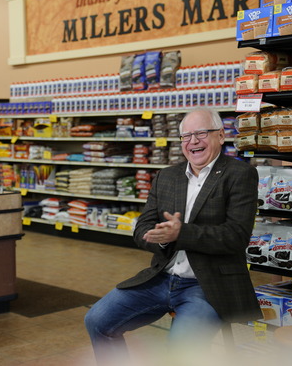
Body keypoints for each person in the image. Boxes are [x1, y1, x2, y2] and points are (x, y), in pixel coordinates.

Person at [84, 107, 261, 364]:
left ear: (221, 136)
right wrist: (162, 237)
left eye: (201, 133)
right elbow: (142, 227)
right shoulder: (167, 176)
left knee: (179, 351)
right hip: (161, 279)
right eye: (186, 136)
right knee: (97, 321)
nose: (193, 141)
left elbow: (236, 236)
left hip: (208, 285)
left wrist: (181, 233)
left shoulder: (239, 174)